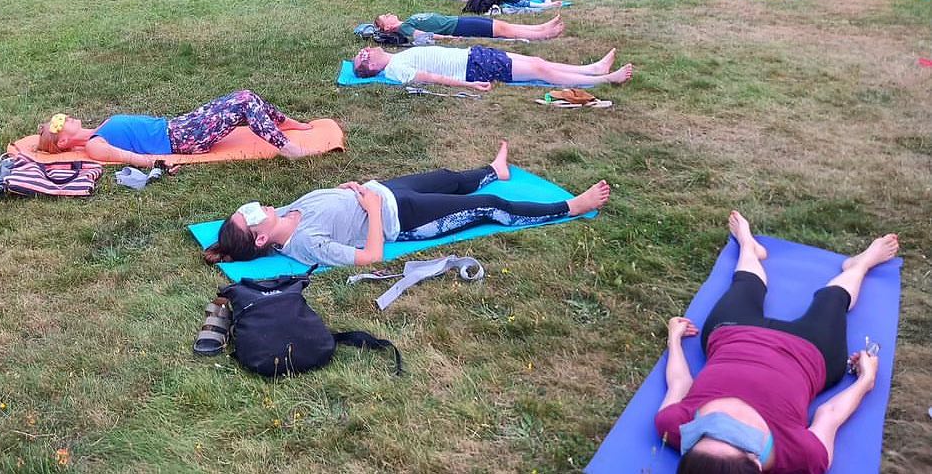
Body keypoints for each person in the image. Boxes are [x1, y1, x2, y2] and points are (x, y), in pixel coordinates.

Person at [656, 210, 899, 474]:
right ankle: (860, 265)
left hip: (732, 335)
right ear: (757, 463)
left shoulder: (672, 427)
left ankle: (748, 246)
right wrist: (865, 380)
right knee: (833, 300)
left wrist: (674, 341)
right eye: (734, 437)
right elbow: (829, 414)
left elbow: (680, 383)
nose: (724, 425)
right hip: (808, 352)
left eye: (707, 435)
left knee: (745, 285)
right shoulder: (801, 456)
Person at [202, 140, 610, 267]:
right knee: (488, 205)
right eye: (251, 216)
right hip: (403, 218)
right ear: (260, 240)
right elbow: (372, 256)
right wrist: (372, 212)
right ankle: (569, 208)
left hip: (384, 190)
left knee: (449, 177)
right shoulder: (306, 244)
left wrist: (347, 190)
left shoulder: (283, 214)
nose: (256, 207)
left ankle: (494, 169)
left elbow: (330, 205)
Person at [36, 90, 317, 162]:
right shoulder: (95, 145)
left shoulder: (102, 127)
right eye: (59, 123)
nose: (65, 117)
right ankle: (287, 148)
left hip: (180, 126)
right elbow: (133, 158)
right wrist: (161, 164)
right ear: (63, 142)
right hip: (182, 140)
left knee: (245, 96)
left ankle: (284, 123)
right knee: (243, 102)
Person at [352, 44, 633, 90]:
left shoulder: (396, 57)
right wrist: (469, 84)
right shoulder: (395, 70)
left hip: (473, 55)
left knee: (537, 62)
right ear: (371, 66)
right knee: (540, 73)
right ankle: (606, 80)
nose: (366, 50)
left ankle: (593, 68)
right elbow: (430, 77)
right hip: (473, 68)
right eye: (363, 56)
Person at [372, 11, 565, 42]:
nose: (389, 14)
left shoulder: (406, 21)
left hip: (459, 20)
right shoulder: (404, 28)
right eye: (385, 17)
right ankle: (543, 35)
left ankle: (540, 27)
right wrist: (448, 38)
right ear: (387, 28)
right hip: (458, 28)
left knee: (502, 25)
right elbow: (424, 35)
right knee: (503, 31)